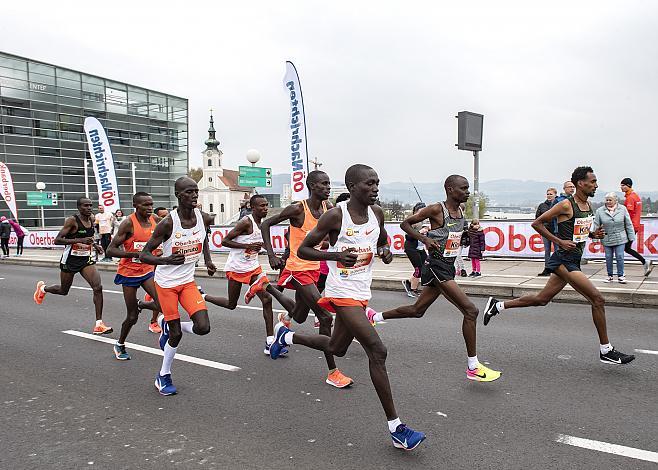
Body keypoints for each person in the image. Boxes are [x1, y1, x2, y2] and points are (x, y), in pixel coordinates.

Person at [268, 164, 426, 450]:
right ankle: (396, 428)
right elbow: (304, 249)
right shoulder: (335, 216)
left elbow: (381, 241)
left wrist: (384, 251)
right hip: (341, 292)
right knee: (377, 350)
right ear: (352, 187)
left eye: (377, 182)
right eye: (369, 184)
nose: (375, 188)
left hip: (362, 290)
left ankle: (286, 336)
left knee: (336, 347)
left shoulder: (377, 213)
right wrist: (335, 254)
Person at [483, 166, 635, 365]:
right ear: (581, 183)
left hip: (573, 259)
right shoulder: (565, 205)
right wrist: (559, 242)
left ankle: (498, 305)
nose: (596, 185)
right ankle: (606, 350)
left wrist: (592, 235)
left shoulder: (587, 205)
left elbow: (577, 230)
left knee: (541, 299)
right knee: (598, 299)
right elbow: (537, 223)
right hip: (563, 259)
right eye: (593, 182)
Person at [366, 175, 501, 383]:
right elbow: (405, 224)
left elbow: (453, 236)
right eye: (463, 188)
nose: (467, 192)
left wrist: (463, 236)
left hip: (446, 265)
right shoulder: (437, 209)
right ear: (450, 189)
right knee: (471, 311)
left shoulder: (461, 210)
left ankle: (375, 317)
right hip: (437, 265)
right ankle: (473, 367)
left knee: (417, 310)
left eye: (467, 189)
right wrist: (424, 238)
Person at [259, 171, 353, 388]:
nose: (328, 187)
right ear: (312, 185)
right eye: (323, 184)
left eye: (329, 183)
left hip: (313, 268)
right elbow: (266, 225)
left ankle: (268, 292)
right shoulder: (298, 208)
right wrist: (272, 254)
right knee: (325, 317)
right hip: (296, 267)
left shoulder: (329, 209)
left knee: (300, 316)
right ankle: (333, 372)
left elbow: (331, 241)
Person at [139, 177, 217, 396]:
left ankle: (169, 325)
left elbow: (203, 240)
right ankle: (163, 376)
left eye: (196, 191)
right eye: (189, 192)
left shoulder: (203, 218)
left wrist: (208, 260)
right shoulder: (168, 223)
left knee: (203, 327)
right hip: (166, 284)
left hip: (187, 282)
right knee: (175, 335)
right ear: (179, 195)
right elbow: (144, 255)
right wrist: (166, 260)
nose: (194, 195)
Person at [200, 194, 277, 355]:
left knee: (267, 299)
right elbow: (225, 241)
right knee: (231, 304)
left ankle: (270, 341)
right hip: (236, 268)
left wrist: (257, 248)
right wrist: (247, 245)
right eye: (262, 206)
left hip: (253, 268)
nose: (265, 209)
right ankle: (204, 296)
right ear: (252, 207)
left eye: (266, 205)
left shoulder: (261, 223)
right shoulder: (245, 222)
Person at [33, 197, 112, 335]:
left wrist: (95, 245)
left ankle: (99, 324)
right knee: (64, 290)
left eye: (90, 205)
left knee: (97, 287)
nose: (89, 208)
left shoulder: (92, 219)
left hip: (85, 259)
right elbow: (57, 240)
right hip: (69, 260)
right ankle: (43, 288)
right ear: (79, 208)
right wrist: (80, 240)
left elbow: (89, 237)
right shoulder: (72, 221)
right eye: (85, 206)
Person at [106, 192, 163, 360]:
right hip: (129, 273)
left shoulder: (155, 220)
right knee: (132, 316)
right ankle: (120, 343)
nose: (150, 208)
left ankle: (142, 304)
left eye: (151, 204)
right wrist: (135, 254)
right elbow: (111, 249)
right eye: (145, 205)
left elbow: (169, 232)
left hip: (146, 271)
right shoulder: (128, 223)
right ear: (136, 206)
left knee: (163, 303)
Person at [594, 192, 635, 284]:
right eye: (607, 200)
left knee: (620, 256)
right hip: (607, 237)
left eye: (610, 200)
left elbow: (628, 223)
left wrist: (631, 236)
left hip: (620, 237)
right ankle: (610, 275)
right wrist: (595, 238)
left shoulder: (623, 209)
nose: (608, 202)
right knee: (608, 257)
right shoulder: (599, 211)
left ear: (616, 200)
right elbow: (596, 225)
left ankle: (621, 275)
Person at [620, 177, 652, 276]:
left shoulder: (630, 198)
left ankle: (644, 262)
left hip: (630, 226)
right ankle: (644, 261)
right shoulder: (636, 196)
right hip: (635, 226)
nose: (621, 187)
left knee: (622, 248)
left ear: (628, 186)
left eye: (622, 185)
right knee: (626, 248)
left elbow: (627, 214)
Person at [402, 202, 427, 297]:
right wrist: (420, 232)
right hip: (411, 248)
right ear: (417, 210)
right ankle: (413, 290)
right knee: (418, 269)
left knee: (426, 266)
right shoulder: (412, 220)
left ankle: (408, 282)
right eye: (422, 209)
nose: (424, 211)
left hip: (420, 248)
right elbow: (408, 236)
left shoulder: (424, 220)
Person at [536, 188, 558, 276]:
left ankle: (557, 269)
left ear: (555, 195)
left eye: (551, 194)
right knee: (547, 250)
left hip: (556, 231)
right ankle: (547, 269)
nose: (549, 196)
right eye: (548, 194)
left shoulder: (558, 204)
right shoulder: (542, 205)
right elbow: (537, 218)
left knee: (557, 251)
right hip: (545, 231)